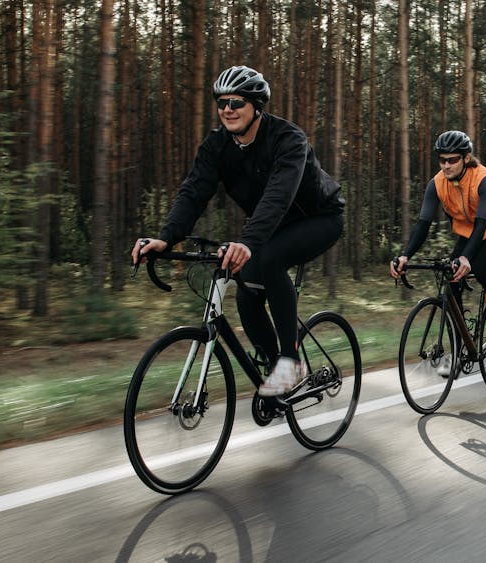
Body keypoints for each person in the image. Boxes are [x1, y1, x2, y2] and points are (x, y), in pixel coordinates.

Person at [132, 65, 345, 397]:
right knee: (246, 289)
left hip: (320, 218)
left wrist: (248, 242)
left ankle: (291, 363)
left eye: (237, 102)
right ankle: (277, 372)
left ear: (257, 106)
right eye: (222, 103)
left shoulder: (288, 140)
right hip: (273, 227)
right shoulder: (217, 145)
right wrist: (166, 237)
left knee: (271, 260)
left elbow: (278, 196)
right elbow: (193, 192)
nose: (228, 110)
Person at [389, 130, 486, 375]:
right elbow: (423, 224)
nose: (446, 165)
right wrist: (406, 254)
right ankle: (463, 345)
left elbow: (482, 223)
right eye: (442, 160)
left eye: (452, 160)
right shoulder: (436, 183)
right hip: (469, 233)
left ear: (466, 157)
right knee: (451, 278)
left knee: (481, 269)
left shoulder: (485, 179)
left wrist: (466, 258)